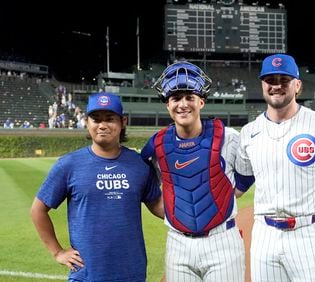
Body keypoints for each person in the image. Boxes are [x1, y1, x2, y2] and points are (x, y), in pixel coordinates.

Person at [235, 54, 315, 281]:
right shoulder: (249, 133)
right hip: (265, 235)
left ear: (297, 85)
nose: (276, 86)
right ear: (263, 85)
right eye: (270, 80)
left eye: (284, 80)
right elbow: (240, 185)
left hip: (310, 233)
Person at [31, 93, 164, 281]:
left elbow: (159, 207)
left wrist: (194, 215)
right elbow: (37, 210)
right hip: (86, 274)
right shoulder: (69, 164)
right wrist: (58, 252)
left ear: (122, 122)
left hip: (131, 272)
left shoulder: (139, 164)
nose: (102, 125)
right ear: (87, 122)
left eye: (110, 119)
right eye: (96, 119)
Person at [142, 61, 255, 282]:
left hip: (222, 241)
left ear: (201, 101)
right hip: (178, 244)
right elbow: (146, 187)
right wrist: (169, 212)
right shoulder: (156, 145)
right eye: (175, 98)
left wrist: (223, 200)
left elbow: (246, 176)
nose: (183, 104)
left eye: (189, 97)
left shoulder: (228, 137)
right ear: (167, 105)